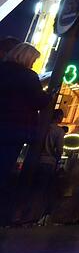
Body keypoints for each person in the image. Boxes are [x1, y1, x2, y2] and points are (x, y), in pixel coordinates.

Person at [0, 39, 49, 224]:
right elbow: (39, 100)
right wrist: (49, 96)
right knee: (4, 166)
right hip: (15, 127)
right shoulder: (28, 76)